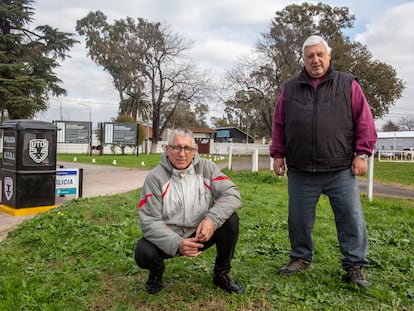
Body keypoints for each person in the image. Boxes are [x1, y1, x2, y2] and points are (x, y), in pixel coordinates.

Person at [270, 35, 377, 288]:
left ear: (328, 56)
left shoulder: (348, 84)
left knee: (351, 218)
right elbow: (279, 124)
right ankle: (301, 257)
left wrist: (361, 154)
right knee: (298, 219)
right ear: (304, 60)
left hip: (340, 168)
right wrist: (277, 154)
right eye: (310, 56)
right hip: (301, 170)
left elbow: (365, 121)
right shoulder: (290, 88)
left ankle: (354, 265)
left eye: (320, 55)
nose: (315, 60)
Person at [135, 128, 244, 294]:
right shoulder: (155, 178)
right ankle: (156, 274)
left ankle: (221, 274)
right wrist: (177, 243)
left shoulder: (207, 167)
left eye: (187, 148)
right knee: (144, 253)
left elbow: (232, 194)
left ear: (194, 151)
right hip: (170, 237)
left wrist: (211, 220)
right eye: (176, 147)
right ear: (167, 149)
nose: (181, 154)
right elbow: (149, 221)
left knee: (231, 220)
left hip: (200, 234)